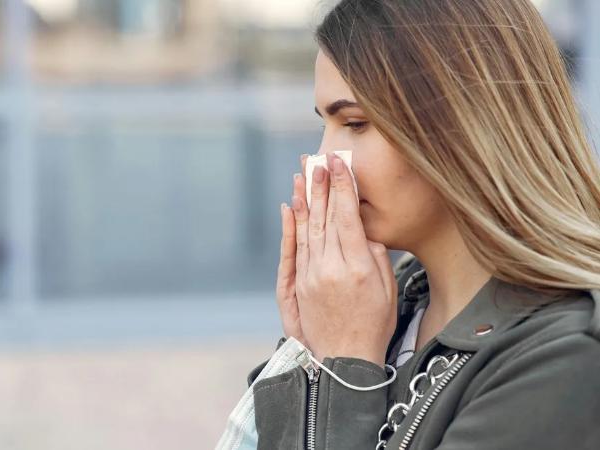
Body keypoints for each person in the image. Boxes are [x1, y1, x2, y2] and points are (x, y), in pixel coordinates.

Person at [248, 1, 600, 449]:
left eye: (355, 123)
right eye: (325, 126)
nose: (322, 160)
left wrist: (343, 367)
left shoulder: (565, 358)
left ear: (464, 126)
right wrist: (310, 356)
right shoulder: (384, 308)